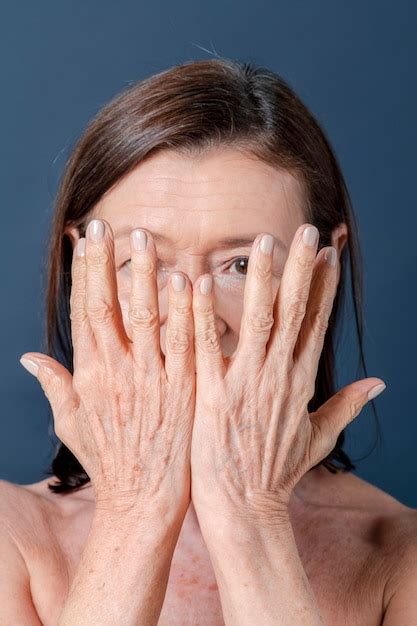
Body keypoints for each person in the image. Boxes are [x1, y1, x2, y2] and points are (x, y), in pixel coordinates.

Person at [1, 57, 416, 625]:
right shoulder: (12, 539)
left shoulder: (401, 558)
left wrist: (250, 516)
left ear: (324, 272)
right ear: (82, 268)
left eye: (244, 264)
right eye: (139, 260)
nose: (186, 318)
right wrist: (136, 511)